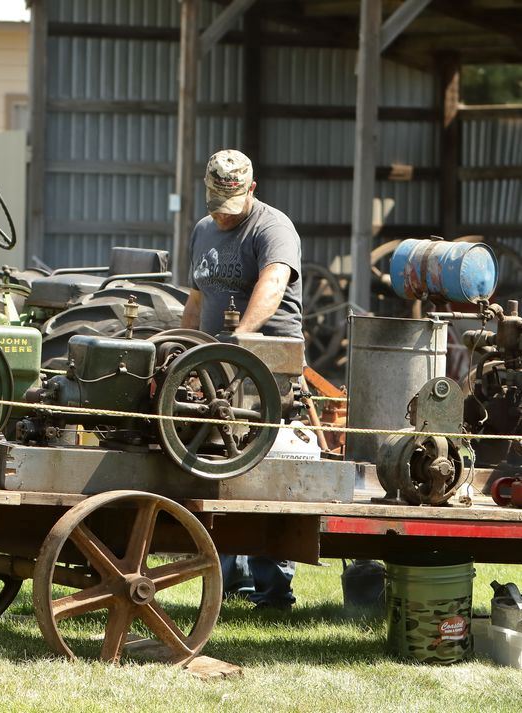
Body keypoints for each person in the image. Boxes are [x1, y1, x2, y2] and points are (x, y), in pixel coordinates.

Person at [180, 148, 303, 610]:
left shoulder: (273, 228)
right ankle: (231, 582)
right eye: (216, 207)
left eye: (231, 207)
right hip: (217, 367)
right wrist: (180, 348)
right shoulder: (203, 229)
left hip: (264, 367)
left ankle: (273, 592)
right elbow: (197, 296)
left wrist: (243, 338)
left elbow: (272, 283)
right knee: (220, 464)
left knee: (261, 472)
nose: (223, 217)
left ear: (251, 190)